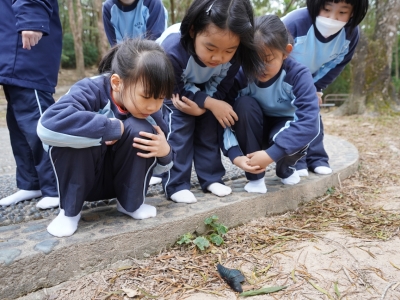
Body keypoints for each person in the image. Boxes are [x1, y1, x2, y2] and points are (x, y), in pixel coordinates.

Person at [37, 39, 175, 237]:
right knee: (83, 130)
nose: (154, 106)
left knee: (141, 129)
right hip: (81, 179)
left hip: (120, 182)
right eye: (146, 96)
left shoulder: (152, 112)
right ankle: (69, 212)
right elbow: (46, 127)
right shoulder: (90, 89)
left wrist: (165, 152)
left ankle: (130, 203)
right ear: (117, 83)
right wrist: (107, 128)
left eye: (161, 97)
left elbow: (161, 167)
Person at [156, 0, 264, 203]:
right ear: (192, 31)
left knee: (209, 125)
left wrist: (207, 105)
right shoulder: (172, 50)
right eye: (210, 48)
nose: (218, 57)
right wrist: (208, 103)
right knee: (180, 126)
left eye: (228, 51)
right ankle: (176, 184)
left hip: (202, 92)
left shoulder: (234, 57)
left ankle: (211, 178)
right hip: (170, 91)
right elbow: (175, 88)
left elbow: (222, 84)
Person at [222, 14, 320, 193]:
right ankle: (255, 177)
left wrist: (271, 155)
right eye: (253, 60)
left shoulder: (297, 75)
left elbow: (310, 123)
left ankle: (286, 168)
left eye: (267, 60)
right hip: (255, 127)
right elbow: (223, 119)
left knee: (301, 132)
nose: (260, 68)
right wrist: (235, 155)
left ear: (286, 52)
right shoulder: (239, 77)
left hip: (284, 129)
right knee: (243, 105)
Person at [282, 0, 369, 176]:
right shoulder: (293, 22)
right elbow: (273, 55)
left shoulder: (351, 34)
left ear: (353, 13)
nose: (332, 18)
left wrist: (316, 88)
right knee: (288, 115)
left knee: (312, 111)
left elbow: (337, 64)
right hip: (282, 76)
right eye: (327, 9)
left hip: (311, 79)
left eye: (342, 12)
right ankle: (296, 160)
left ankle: (317, 158)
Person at [0, 0, 62, 209]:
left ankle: (57, 186)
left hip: (27, 47)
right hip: (10, 47)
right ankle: (31, 182)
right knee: (17, 122)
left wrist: (32, 17)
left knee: (37, 120)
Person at [102, 0, 168, 46]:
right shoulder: (108, 8)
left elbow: (156, 44)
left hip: (151, 59)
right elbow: (116, 47)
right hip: (125, 61)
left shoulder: (153, 2)